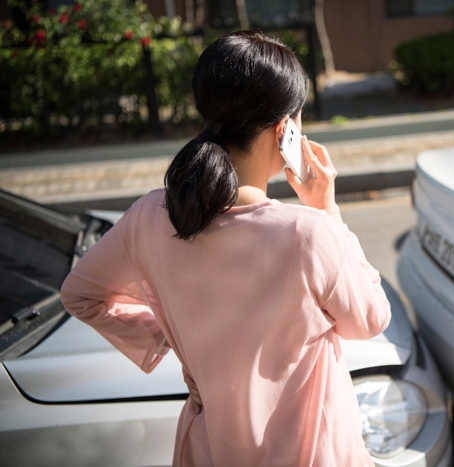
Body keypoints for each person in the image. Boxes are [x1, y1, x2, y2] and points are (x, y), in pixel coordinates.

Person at [60, 31, 391, 466]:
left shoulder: (149, 214)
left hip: (210, 447)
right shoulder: (308, 232)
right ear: (285, 128)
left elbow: (80, 295)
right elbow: (370, 319)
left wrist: (178, 341)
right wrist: (327, 206)